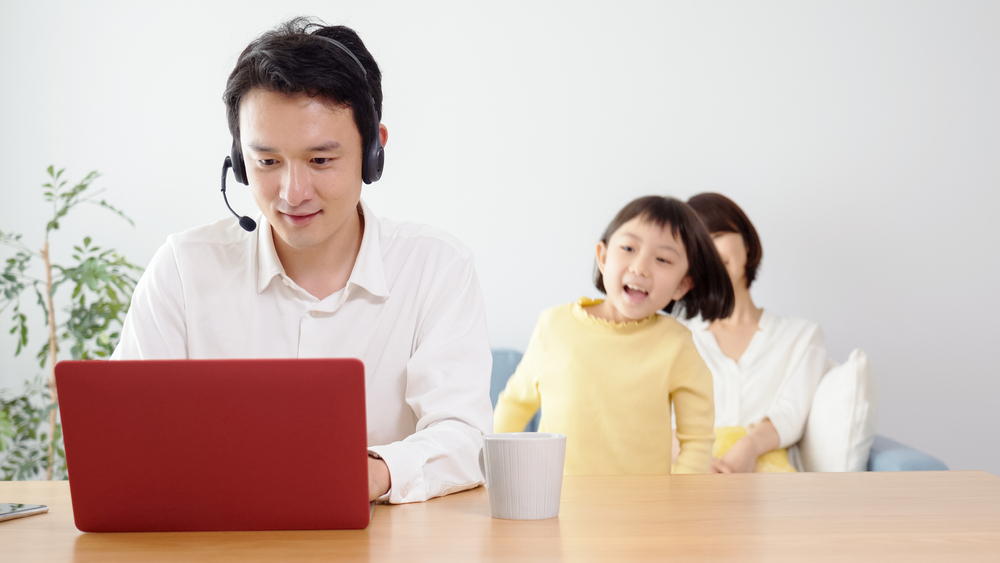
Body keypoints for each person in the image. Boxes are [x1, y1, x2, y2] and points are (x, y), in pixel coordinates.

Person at [111, 18, 493, 504]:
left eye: (320, 161)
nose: (293, 193)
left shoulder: (437, 267)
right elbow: (129, 435)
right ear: (239, 159)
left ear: (374, 150)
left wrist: (373, 474)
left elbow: (464, 435)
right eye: (267, 162)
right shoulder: (183, 270)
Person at [493, 196, 734, 474]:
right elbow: (514, 405)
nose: (640, 267)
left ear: (682, 285)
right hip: (556, 503)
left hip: (642, 508)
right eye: (629, 248)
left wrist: (677, 505)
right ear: (604, 257)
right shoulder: (554, 325)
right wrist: (490, 473)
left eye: (663, 259)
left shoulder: (677, 344)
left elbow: (697, 440)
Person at [679, 193, 826, 473]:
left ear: (746, 243)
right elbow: (658, 424)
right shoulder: (676, 338)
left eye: (718, 235)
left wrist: (748, 448)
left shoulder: (802, 336)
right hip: (689, 480)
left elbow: (789, 415)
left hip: (768, 489)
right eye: (698, 246)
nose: (710, 251)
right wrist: (697, 461)